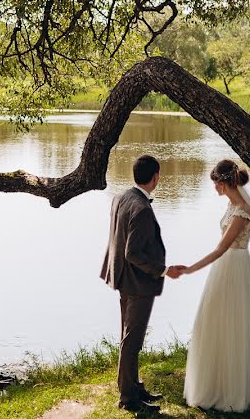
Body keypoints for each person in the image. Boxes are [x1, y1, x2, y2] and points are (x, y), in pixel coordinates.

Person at [180, 159, 250, 412]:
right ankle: (213, 383)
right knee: (211, 322)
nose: (214, 188)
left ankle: (231, 392)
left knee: (230, 325)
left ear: (224, 182)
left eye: (216, 183)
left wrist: (190, 269)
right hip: (224, 269)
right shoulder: (231, 206)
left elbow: (221, 249)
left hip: (234, 268)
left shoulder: (242, 211)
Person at [100, 155, 183, 413]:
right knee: (132, 340)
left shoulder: (121, 197)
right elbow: (132, 253)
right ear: (155, 177)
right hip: (137, 284)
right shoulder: (142, 209)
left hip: (122, 278)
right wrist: (164, 270)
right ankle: (128, 398)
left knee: (128, 337)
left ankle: (133, 386)